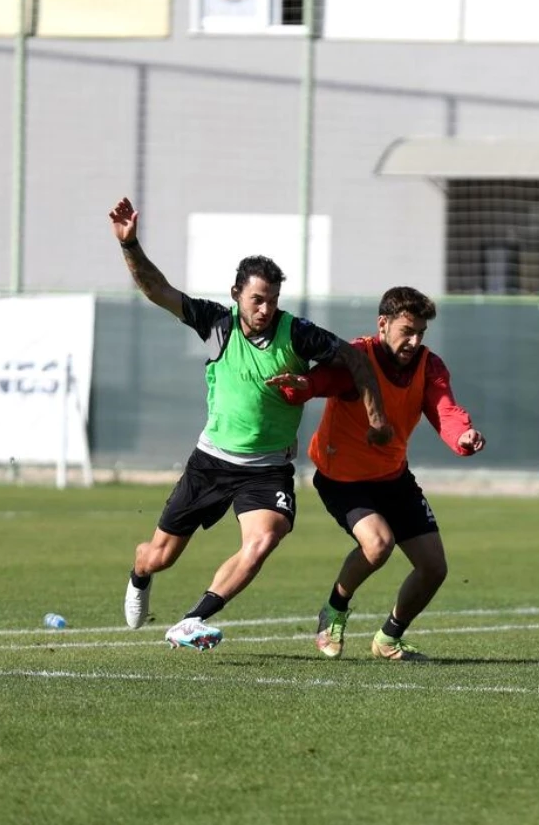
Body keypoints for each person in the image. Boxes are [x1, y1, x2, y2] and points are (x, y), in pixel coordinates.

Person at [108, 196, 393, 651]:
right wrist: (131, 245)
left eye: (272, 300)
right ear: (237, 294)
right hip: (210, 463)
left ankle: (190, 621)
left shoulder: (297, 332)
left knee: (264, 539)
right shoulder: (216, 324)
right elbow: (156, 289)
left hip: (266, 470)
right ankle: (140, 573)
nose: (265, 308)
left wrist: (375, 419)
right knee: (159, 555)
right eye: (258, 299)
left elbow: (355, 361)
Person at [268, 286, 485, 661]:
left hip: (392, 477)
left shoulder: (428, 366)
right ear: (382, 324)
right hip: (342, 478)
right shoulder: (358, 358)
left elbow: (445, 410)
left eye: (420, 333)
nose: (414, 341)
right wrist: (303, 388)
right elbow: (324, 381)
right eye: (407, 331)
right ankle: (334, 610)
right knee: (378, 544)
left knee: (434, 568)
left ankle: (388, 638)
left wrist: (462, 436)